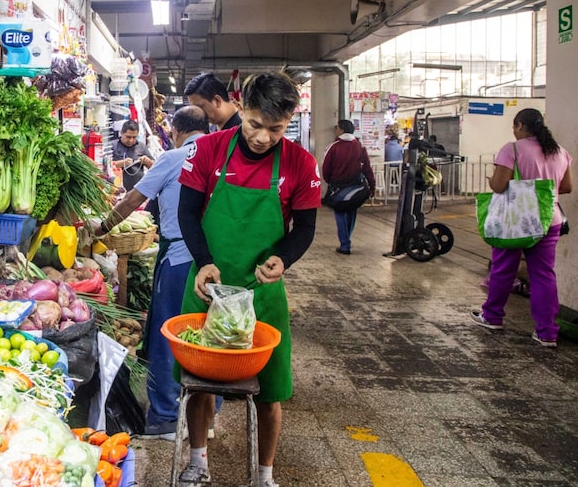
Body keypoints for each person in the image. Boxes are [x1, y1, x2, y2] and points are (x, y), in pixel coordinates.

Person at [176, 71, 321, 487]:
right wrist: (203, 260)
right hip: (208, 285)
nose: (262, 138)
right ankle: (198, 462)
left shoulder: (299, 162)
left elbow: (306, 229)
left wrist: (282, 259)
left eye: (276, 129)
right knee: (198, 385)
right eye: (255, 124)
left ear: (289, 120)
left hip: (263, 294)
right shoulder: (208, 150)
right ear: (240, 107)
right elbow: (188, 212)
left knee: (271, 391)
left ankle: (264, 475)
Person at [95, 105, 210, 439]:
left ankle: (164, 419)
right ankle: (206, 417)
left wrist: (102, 227)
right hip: (214, 259)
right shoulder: (220, 154)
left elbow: (133, 200)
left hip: (179, 257)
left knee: (165, 336)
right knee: (206, 336)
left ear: (176, 130)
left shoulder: (173, 158)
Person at [470, 108, 572, 347]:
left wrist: (495, 181)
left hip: (515, 220)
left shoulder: (512, 149)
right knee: (544, 275)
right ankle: (547, 332)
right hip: (549, 219)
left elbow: (498, 185)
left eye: (514, 127)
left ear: (519, 126)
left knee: (504, 269)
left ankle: (493, 316)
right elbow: (566, 187)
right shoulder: (560, 152)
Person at [321, 119, 376, 255]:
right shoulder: (360, 146)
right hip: (355, 188)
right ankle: (347, 239)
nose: (335, 130)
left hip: (338, 187)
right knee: (351, 212)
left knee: (340, 213)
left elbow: (326, 168)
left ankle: (345, 244)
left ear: (341, 130)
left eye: (337, 128)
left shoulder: (334, 147)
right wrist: (372, 185)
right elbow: (367, 168)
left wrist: (330, 181)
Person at [112, 119, 154, 191]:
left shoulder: (141, 146)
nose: (131, 140)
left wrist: (147, 161)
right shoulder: (113, 146)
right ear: (121, 133)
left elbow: (154, 168)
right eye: (128, 137)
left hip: (137, 191)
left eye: (134, 137)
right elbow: (105, 167)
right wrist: (122, 163)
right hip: (117, 190)